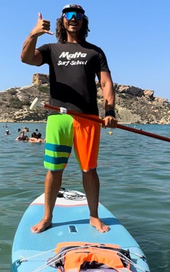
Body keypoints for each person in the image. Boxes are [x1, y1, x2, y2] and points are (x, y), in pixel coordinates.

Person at [21, 4, 117, 233]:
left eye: (79, 15)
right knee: (54, 169)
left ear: (84, 21)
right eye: (69, 15)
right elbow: (26, 58)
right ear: (62, 20)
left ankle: (93, 216)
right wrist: (33, 34)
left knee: (89, 169)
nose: (74, 18)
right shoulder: (51, 49)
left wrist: (110, 111)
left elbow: (106, 83)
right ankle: (47, 217)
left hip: (88, 119)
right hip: (58, 117)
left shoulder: (95, 52)